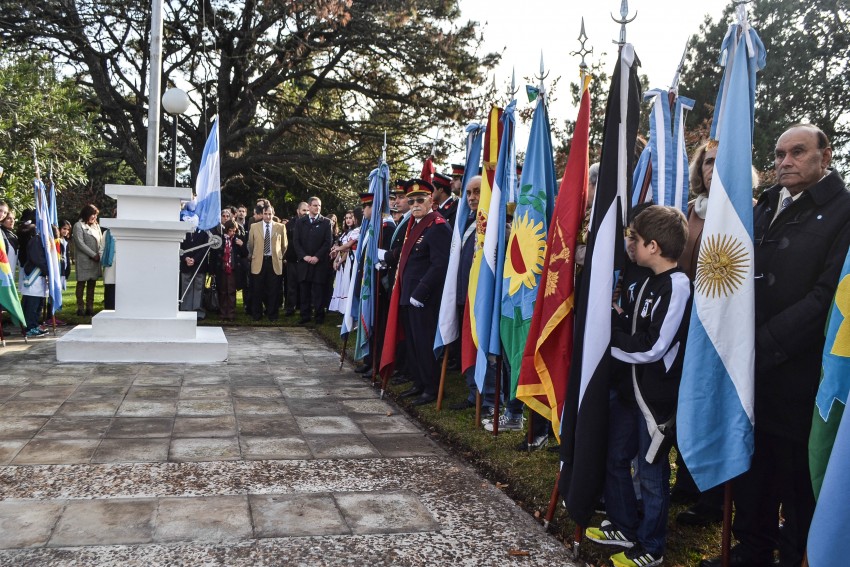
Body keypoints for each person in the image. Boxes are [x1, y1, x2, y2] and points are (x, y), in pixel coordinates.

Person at [702, 124, 850, 567]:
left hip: (799, 370)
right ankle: (752, 546)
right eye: (780, 153)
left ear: (825, 156)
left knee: (793, 473)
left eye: (797, 152)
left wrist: (762, 346)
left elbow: (827, 296)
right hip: (748, 366)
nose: (784, 162)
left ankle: (793, 551)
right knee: (752, 462)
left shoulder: (844, 211)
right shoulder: (764, 205)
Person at [585, 205, 692, 567]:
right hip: (629, 391)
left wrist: (605, 341)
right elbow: (632, 325)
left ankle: (651, 545)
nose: (630, 245)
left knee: (651, 475)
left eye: (635, 239)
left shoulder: (676, 285)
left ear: (654, 246)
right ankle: (625, 525)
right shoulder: (646, 277)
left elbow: (654, 346)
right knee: (619, 459)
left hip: (654, 401)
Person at [379, 179, 452, 406]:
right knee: (411, 342)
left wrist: (421, 292)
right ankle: (419, 382)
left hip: (423, 298)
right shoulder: (414, 225)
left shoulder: (437, 225)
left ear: (431, 200)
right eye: (411, 201)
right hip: (407, 294)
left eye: (420, 199)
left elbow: (440, 264)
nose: (415, 204)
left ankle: (430, 387)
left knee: (423, 342)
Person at [293, 196, 332, 324]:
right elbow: (296, 241)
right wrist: (304, 256)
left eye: (319, 205)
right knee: (304, 291)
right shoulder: (300, 222)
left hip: (319, 263)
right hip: (304, 262)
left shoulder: (326, 222)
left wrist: (317, 257)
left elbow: (328, 243)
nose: (317, 208)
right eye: (315, 205)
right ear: (309, 206)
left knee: (318, 291)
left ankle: (319, 316)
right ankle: (305, 316)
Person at [247, 204, 287, 321]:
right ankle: (257, 314)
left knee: (273, 289)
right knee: (257, 289)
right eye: (265, 214)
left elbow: (284, 245)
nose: (268, 216)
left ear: (273, 214)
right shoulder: (254, 227)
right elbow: (251, 244)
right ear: (262, 214)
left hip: (274, 261)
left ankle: (272, 314)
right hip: (259, 261)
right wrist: (256, 255)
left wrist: (278, 256)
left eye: (270, 214)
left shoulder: (280, 227)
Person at [211, 219, 248, 321]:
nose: (232, 233)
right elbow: (214, 256)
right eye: (230, 230)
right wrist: (212, 271)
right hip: (222, 269)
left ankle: (231, 313)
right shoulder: (221, 239)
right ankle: (223, 313)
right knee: (222, 291)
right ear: (226, 230)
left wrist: (242, 245)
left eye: (234, 231)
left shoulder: (237, 239)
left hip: (233, 269)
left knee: (231, 291)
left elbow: (245, 254)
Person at [72, 204, 103, 316]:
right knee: (81, 283)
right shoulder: (78, 225)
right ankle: (80, 307)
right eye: (92, 214)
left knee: (92, 284)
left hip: (95, 260)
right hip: (84, 259)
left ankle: (90, 307)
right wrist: (92, 254)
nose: (94, 217)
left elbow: (100, 241)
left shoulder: (96, 226)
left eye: (95, 215)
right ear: (86, 214)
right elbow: (80, 243)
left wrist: (99, 254)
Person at [329, 209, 361, 314]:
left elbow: (347, 248)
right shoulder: (345, 233)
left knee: (348, 286)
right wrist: (336, 260)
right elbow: (342, 248)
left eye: (350, 218)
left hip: (350, 260)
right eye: (346, 218)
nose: (348, 220)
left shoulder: (356, 231)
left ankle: (350, 314)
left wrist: (337, 253)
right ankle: (344, 313)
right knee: (342, 286)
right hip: (343, 262)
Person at [284, 201, 309, 316]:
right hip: (292, 260)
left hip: (305, 260)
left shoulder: (310, 223)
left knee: (304, 286)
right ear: (298, 211)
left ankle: (304, 308)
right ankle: (290, 309)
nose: (306, 212)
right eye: (304, 210)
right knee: (291, 286)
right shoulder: (289, 225)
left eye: (307, 210)